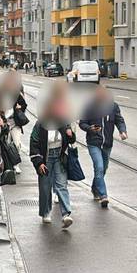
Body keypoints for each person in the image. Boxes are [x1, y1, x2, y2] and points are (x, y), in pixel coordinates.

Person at [30, 82, 76, 228]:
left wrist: (70, 134)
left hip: (59, 157)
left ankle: (66, 214)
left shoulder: (63, 122)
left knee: (62, 185)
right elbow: (34, 143)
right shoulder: (40, 124)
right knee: (45, 187)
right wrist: (39, 162)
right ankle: (45, 212)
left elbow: (71, 140)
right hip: (45, 158)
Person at [78, 85, 128, 209]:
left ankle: (95, 188)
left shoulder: (113, 106)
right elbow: (82, 123)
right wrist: (90, 128)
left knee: (103, 169)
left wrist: (122, 131)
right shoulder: (90, 107)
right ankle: (103, 196)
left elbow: (119, 120)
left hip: (107, 144)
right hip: (94, 142)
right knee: (99, 167)